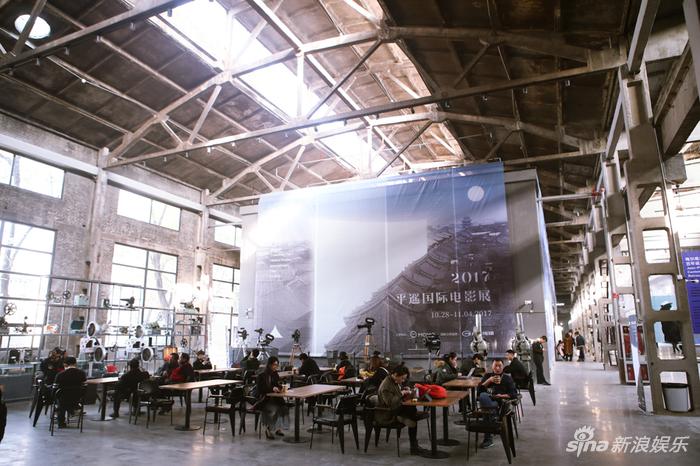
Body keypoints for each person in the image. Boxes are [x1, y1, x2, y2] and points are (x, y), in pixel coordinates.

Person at [376, 365, 427, 455]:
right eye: (402, 378)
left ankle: (414, 447)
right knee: (412, 414)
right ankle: (414, 447)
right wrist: (401, 393)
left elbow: (396, 392)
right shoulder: (386, 386)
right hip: (389, 413)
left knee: (412, 416)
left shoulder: (394, 380)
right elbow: (390, 403)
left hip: (397, 408)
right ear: (396, 374)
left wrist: (404, 389)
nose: (403, 381)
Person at [477, 359, 518, 449]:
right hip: (489, 403)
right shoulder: (487, 376)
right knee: (483, 396)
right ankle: (493, 416)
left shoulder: (507, 378)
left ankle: (488, 439)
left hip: (501, 405)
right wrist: (489, 381)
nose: (498, 368)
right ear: (492, 367)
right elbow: (478, 392)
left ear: (503, 367)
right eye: (495, 366)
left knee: (486, 413)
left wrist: (501, 396)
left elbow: (514, 394)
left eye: (500, 366)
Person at [255, 356, 289, 440]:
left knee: (283, 408)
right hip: (264, 399)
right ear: (269, 365)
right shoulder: (262, 375)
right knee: (274, 409)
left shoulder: (275, 374)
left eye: (277, 365)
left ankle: (278, 428)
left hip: (275, 398)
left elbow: (276, 384)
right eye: (274, 365)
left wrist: (280, 388)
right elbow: (260, 389)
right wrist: (272, 388)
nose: (276, 367)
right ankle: (268, 429)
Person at [53, 356, 87, 428]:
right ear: (75, 363)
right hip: (76, 399)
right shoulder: (82, 373)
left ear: (65, 364)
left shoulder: (60, 374)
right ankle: (71, 411)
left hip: (62, 399)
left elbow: (55, 389)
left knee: (60, 402)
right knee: (69, 401)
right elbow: (84, 387)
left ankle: (61, 423)